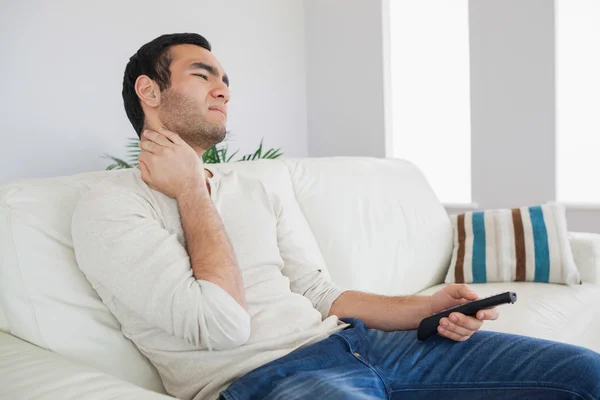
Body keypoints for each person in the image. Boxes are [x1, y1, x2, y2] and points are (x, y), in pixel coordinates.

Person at [71, 33, 600, 400]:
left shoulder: (254, 188)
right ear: (149, 90)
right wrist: (190, 189)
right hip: (264, 380)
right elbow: (223, 325)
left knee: (587, 374)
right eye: (202, 73)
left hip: (363, 343)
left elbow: (320, 293)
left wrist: (426, 306)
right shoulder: (110, 205)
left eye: (226, 78)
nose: (224, 88)